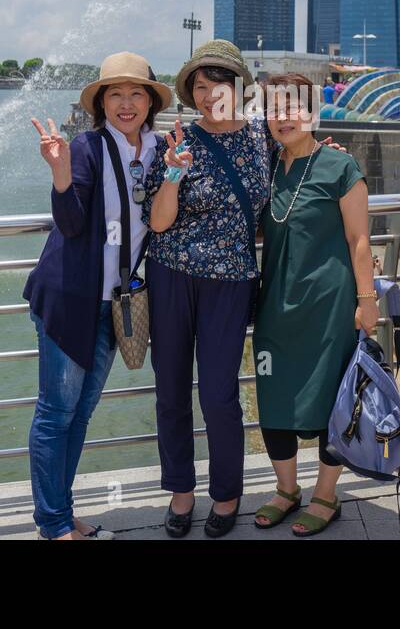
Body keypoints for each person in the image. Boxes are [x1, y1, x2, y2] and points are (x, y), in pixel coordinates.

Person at [22, 52, 169, 540]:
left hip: (118, 304)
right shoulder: (86, 147)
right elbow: (69, 222)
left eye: (136, 94)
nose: (126, 104)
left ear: (150, 102)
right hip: (71, 298)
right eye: (115, 94)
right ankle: (53, 523)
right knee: (55, 413)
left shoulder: (161, 150)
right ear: (101, 102)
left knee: (80, 414)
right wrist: (60, 173)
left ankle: (63, 515)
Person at [141, 40, 270, 538]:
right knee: (171, 390)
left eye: (217, 81)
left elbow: (298, 172)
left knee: (219, 395)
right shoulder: (177, 139)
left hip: (232, 282)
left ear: (238, 87)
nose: (207, 91)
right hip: (171, 275)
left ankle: (227, 493)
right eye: (198, 84)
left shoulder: (265, 138)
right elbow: (158, 221)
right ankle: (180, 490)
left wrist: (335, 156)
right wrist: (173, 173)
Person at [250, 74, 375, 536]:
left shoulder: (340, 166)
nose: (283, 117)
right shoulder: (264, 166)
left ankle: (325, 494)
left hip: (330, 304)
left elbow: (359, 239)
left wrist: (367, 301)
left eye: (293, 107)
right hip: (275, 304)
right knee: (273, 396)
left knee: (329, 400)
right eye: (273, 108)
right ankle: (287, 490)